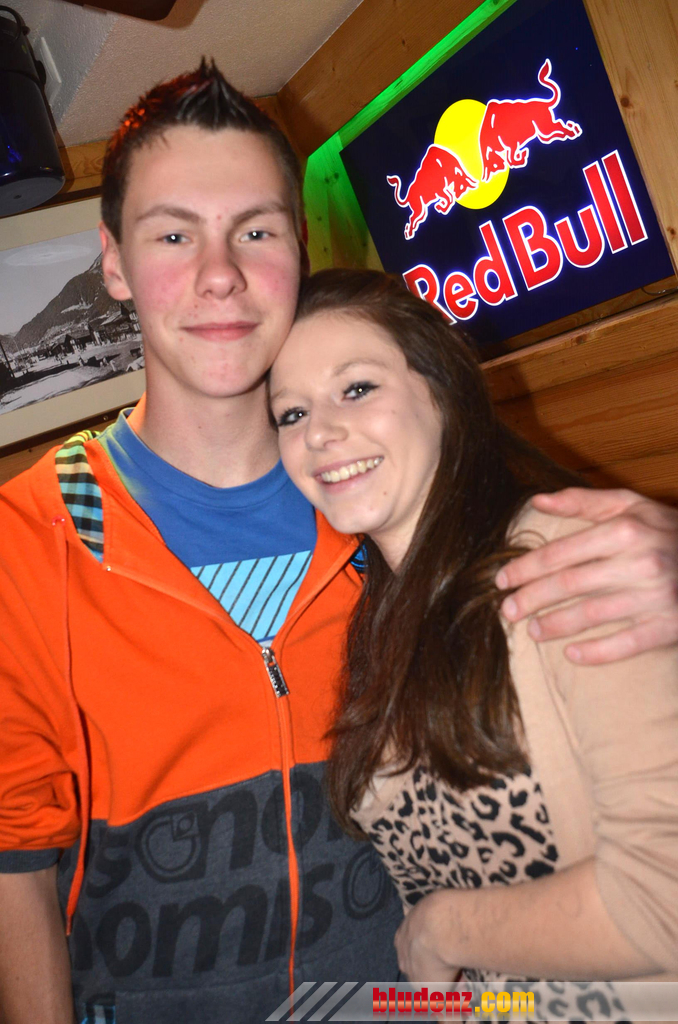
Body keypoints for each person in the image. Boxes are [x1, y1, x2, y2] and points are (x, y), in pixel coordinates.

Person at [0, 62, 677, 1024]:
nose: (221, 273)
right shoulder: (25, 539)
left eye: (256, 230)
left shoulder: (377, 498)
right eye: (174, 234)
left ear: (300, 248)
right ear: (113, 263)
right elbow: (14, 859)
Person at [269, 267, 678, 997]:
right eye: (291, 413)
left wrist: (441, 930)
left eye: (356, 388)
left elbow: (664, 901)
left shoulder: (562, 561)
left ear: (443, 390)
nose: (320, 433)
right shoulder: (380, 618)